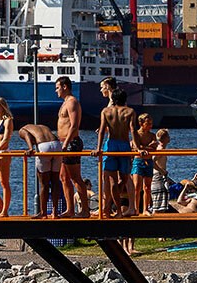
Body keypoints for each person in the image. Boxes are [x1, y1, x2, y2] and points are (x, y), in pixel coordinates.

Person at [97, 88, 136, 217]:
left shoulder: (106, 111)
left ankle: (109, 206)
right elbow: (133, 130)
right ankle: (116, 210)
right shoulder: (130, 111)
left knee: (114, 181)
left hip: (111, 145)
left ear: (113, 99)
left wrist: (98, 148)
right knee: (123, 178)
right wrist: (138, 147)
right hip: (124, 144)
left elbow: (102, 130)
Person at [55, 76, 90, 216]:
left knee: (75, 177)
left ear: (65, 87)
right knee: (63, 177)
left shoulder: (72, 102)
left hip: (71, 143)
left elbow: (74, 125)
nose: (56, 91)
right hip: (64, 142)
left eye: (57, 87)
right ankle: (70, 209)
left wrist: (66, 142)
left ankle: (85, 210)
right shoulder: (65, 103)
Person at [18, 123, 62, 217]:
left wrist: (30, 148)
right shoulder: (43, 126)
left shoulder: (22, 130)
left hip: (44, 147)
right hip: (57, 145)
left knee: (44, 183)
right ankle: (55, 213)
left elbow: (27, 135)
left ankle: (43, 213)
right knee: (55, 180)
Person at [131, 113, 156, 215]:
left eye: (151, 123)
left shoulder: (152, 135)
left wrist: (143, 147)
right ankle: (135, 208)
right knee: (137, 186)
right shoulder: (136, 134)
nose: (150, 125)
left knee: (147, 187)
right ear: (141, 123)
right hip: (138, 161)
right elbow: (135, 147)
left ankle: (145, 209)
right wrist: (143, 147)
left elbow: (154, 147)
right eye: (148, 123)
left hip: (148, 161)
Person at [150, 128, 172, 213]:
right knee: (159, 201)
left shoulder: (160, 148)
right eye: (168, 136)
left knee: (161, 199)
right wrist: (161, 171)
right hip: (158, 175)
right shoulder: (160, 149)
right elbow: (152, 161)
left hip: (160, 174)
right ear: (165, 138)